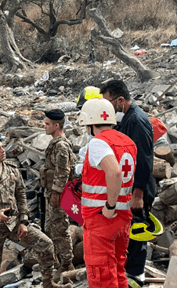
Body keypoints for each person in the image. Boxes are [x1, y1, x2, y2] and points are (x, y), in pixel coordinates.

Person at [0, 134, 68, 288]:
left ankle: (48, 283)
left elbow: (21, 195)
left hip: (14, 225)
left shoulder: (11, 169)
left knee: (46, 245)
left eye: (2, 146)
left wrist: (24, 221)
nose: (2, 150)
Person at [77, 98, 137, 288]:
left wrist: (109, 206)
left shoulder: (98, 143)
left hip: (102, 218)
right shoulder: (127, 141)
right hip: (123, 217)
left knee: (101, 274)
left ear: (90, 123)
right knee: (118, 269)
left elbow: (114, 171)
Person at [99, 79, 154, 288]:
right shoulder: (126, 119)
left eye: (109, 103)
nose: (107, 109)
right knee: (127, 234)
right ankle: (126, 276)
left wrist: (138, 194)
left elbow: (144, 159)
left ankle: (135, 276)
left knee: (136, 234)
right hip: (128, 189)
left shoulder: (137, 121)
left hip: (138, 191)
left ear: (120, 100)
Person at [40, 109, 76, 273]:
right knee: (49, 227)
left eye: (47, 124)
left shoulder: (61, 145)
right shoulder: (55, 142)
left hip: (59, 195)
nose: (44, 126)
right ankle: (55, 260)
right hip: (51, 193)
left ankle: (67, 263)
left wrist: (56, 193)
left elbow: (63, 171)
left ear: (56, 125)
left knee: (60, 228)